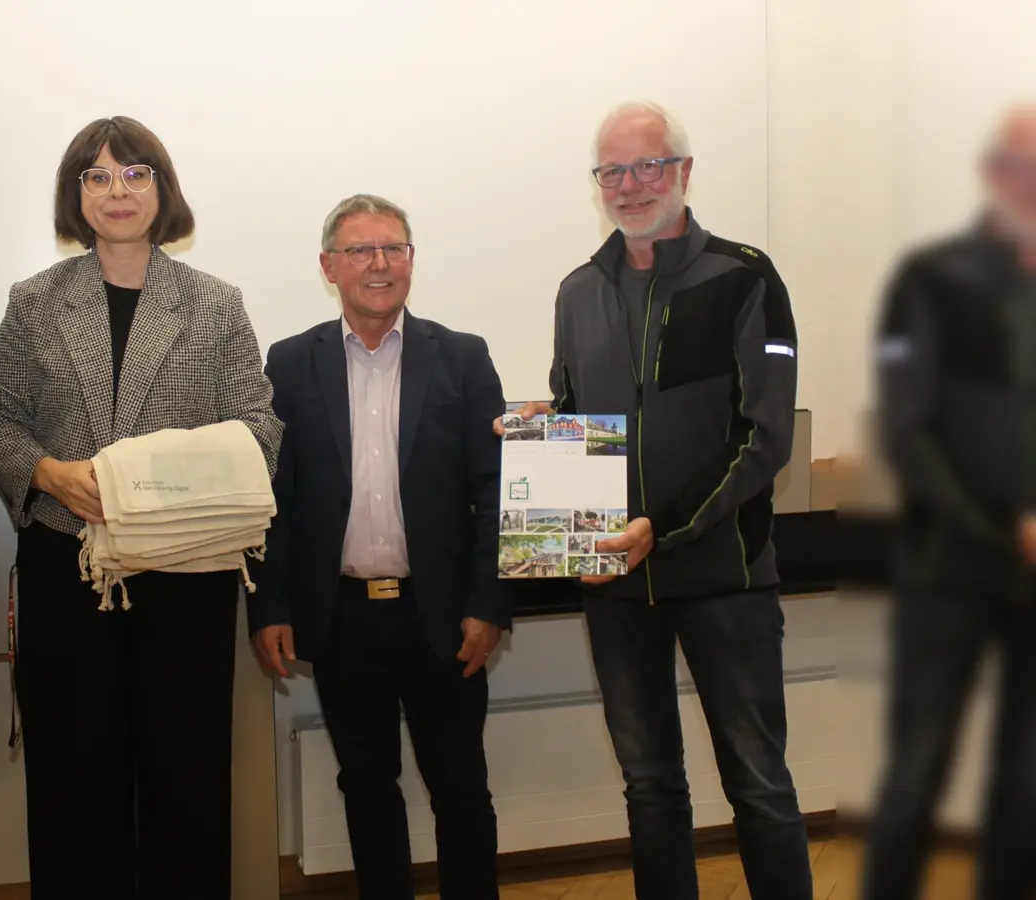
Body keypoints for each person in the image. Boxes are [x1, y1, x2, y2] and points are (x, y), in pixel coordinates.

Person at [495, 102, 810, 899]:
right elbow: (581, 411)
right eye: (613, 171)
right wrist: (547, 423)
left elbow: (764, 438)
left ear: (684, 171)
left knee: (759, 786)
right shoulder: (576, 292)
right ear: (597, 183)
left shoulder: (746, 277)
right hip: (614, 586)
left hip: (725, 581)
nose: (631, 185)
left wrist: (659, 531)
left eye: (649, 166)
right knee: (649, 788)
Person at [0, 115, 282, 899]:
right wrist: (46, 471)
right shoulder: (36, 301)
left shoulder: (215, 304)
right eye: (98, 176)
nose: (118, 191)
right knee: (74, 780)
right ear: (75, 196)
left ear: (162, 188)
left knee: (187, 777)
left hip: (187, 576)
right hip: (65, 569)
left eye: (135, 173)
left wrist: (157, 477)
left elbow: (259, 425)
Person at [251, 193, 509, 900]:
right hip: (341, 619)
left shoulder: (462, 357)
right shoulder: (290, 364)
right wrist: (270, 607)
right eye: (361, 250)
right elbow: (276, 501)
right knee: (366, 787)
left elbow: (494, 493)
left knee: (461, 788)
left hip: (445, 619)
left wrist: (490, 603)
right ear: (329, 266)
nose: (379, 264)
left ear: (411, 262)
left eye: (394, 248)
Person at [860, 105, 1036, 900]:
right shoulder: (929, 278)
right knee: (915, 777)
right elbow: (908, 432)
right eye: (1018, 167)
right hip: (948, 572)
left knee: (1027, 789)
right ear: (992, 171)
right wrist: (1012, 526)